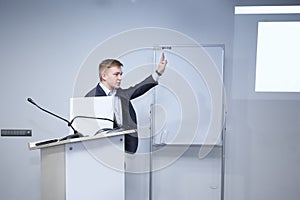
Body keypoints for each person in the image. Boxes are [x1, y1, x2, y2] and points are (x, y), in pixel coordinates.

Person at [85, 53, 168, 154]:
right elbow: (87, 129)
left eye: (121, 74)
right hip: (102, 149)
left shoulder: (120, 93)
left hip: (124, 146)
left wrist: (158, 73)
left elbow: (139, 88)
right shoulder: (91, 97)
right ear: (104, 76)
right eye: (116, 74)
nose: (120, 78)